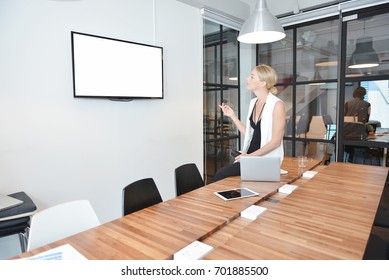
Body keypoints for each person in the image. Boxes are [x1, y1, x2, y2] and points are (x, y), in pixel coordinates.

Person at [213, 64, 285, 182]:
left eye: (252, 76)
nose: (247, 78)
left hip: (264, 161)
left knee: (220, 175)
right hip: (251, 157)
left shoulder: (277, 105)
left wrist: (249, 157)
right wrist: (233, 116)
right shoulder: (253, 103)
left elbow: (276, 142)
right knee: (223, 176)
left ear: (262, 83)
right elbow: (250, 134)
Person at [344, 86, 371, 163]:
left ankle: (349, 157)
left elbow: (343, 117)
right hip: (359, 135)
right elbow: (367, 120)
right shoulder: (367, 104)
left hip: (346, 133)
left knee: (335, 139)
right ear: (364, 94)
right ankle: (354, 159)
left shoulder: (347, 103)